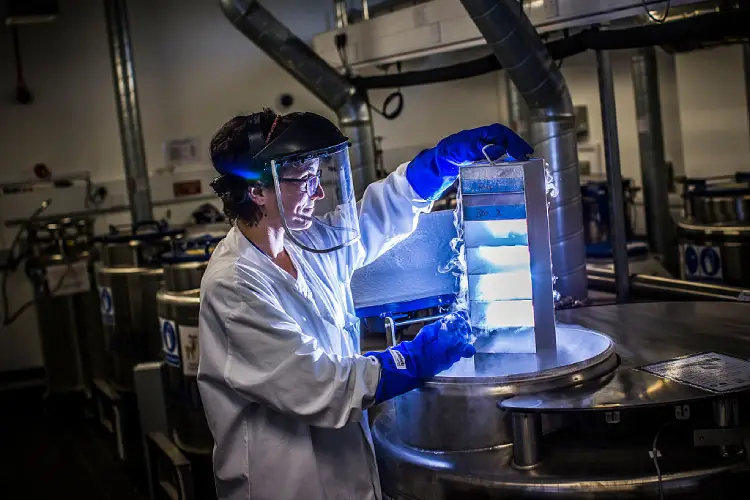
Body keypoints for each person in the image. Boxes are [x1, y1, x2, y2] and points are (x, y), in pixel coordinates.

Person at [197, 108, 533, 500]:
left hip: (346, 472)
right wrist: (416, 357)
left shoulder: (305, 244)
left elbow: (376, 217)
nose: (318, 193)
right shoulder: (234, 286)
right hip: (287, 485)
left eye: (318, 178)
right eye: (306, 180)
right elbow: (324, 385)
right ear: (257, 190)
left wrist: (441, 163)